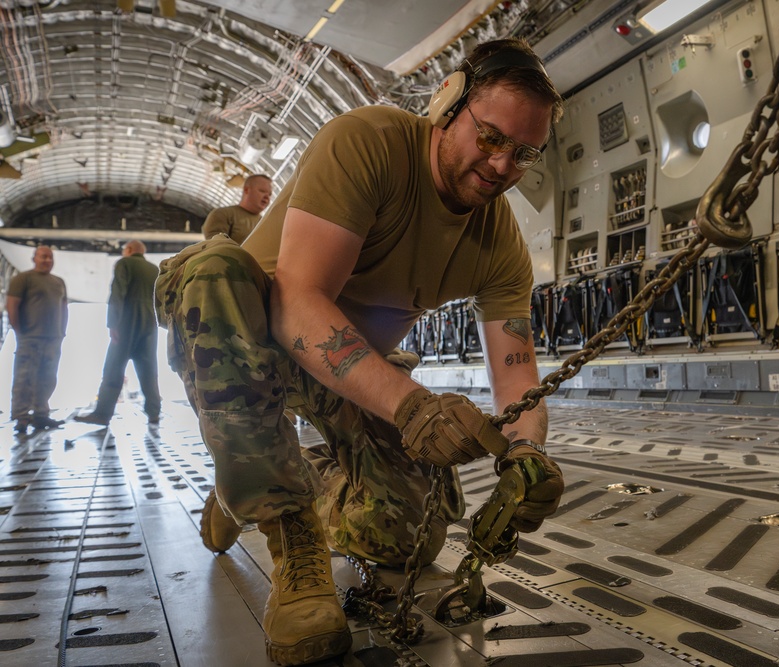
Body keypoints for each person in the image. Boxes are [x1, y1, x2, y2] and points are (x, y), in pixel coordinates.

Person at [155, 38, 565, 666]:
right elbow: (295, 301)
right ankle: (291, 539)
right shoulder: (369, 141)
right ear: (448, 105)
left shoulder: (498, 241)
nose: (503, 165)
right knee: (217, 270)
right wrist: (413, 407)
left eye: (523, 153)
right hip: (244, 332)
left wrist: (529, 450)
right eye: (489, 137)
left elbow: (517, 373)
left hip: (342, 368)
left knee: (407, 537)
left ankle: (249, 474)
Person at [75, 240, 161, 427]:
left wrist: (112, 323)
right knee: (148, 370)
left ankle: (102, 414)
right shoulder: (154, 269)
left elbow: (117, 293)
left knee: (114, 368)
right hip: (149, 323)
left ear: (129, 250)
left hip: (127, 321)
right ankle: (154, 412)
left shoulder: (124, 263)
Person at [6, 245, 68, 434]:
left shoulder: (59, 282)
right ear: (34, 258)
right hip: (30, 338)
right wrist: (20, 332)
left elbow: (64, 308)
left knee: (47, 378)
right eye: (43, 257)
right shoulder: (22, 279)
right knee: (24, 378)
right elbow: (11, 306)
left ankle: (41, 415)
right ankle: (22, 417)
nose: (47, 260)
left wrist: (62, 332)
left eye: (50, 257)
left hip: (53, 338)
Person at [201, 173, 273, 244]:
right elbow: (215, 248)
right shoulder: (223, 214)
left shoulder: (266, 224)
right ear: (246, 190)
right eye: (262, 191)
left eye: (270, 194)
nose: (267, 197)